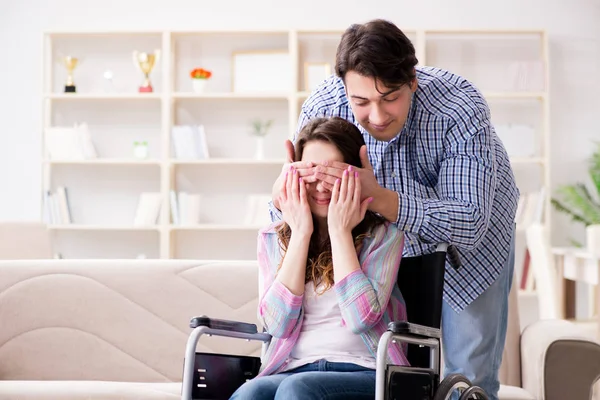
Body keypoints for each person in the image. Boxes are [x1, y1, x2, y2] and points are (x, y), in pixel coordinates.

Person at [268, 19, 519, 400]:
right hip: (378, 243)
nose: (378, 115)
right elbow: (292, 208)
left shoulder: (459, 106)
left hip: (470, 249)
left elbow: (470, 222)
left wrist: (378, 197)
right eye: (362, 102)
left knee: (468, 377)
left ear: (412, 81)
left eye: (390, 97)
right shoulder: (325, 103)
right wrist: (281, 197)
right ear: (344, 87)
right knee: (404, 371)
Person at [230, 117, 406, 400]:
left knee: (297, 389)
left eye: (332, 175)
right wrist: (300, 233)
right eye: (311, 175)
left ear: (354, 176)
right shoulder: (273, 238)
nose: (321, 187)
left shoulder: (384, 236)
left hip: (366, 371)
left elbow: (362, 318)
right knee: (250, 392)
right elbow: (277, 325)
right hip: (293, 368)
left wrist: (340, 231)